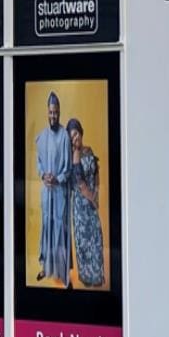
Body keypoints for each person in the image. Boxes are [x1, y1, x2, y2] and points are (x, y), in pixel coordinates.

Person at [34, 92, 72, 286]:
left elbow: (68, 169)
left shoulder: (64, 136)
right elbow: (39, 163)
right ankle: (46, 268)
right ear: (47, 112)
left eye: (55, 112)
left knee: (59, 231)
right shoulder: (42, 137)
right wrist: (43, 175)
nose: (53, 116)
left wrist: (57, 179)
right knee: (47, 229)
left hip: (59, 194)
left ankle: (63, 275)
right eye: (50, 112)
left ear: (59, 112)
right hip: (46, 193)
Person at [66, 118, 105, 288]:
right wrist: (92, 199)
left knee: (96, 239)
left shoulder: (89, 150)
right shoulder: (74, 157)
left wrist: (97, 192)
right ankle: (87, 278)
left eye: (76, 134)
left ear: (81, 132)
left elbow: (96, 173)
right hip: (81, 206)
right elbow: (80, 183)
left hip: (92, 201)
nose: (75, 138)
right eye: (71, 137)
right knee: (83, 242)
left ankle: (97, 277)